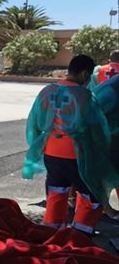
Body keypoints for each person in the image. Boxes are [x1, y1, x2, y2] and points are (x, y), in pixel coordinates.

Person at [23, 55, 112, 235]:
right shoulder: (85, 95)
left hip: (51, 151)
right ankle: (80, 234)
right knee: (91, 194)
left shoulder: (46, 91)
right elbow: (98, 129)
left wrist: (37, 146)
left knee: (57, 190)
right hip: (78, 154)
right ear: (85, 73)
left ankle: (52, 232)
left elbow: (33, 122)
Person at [93, 74, 119, 220]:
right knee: (103, 174)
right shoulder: (109, 92)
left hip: (111, 136)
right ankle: (104, 208)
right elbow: (92, 117)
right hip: (104, 138)